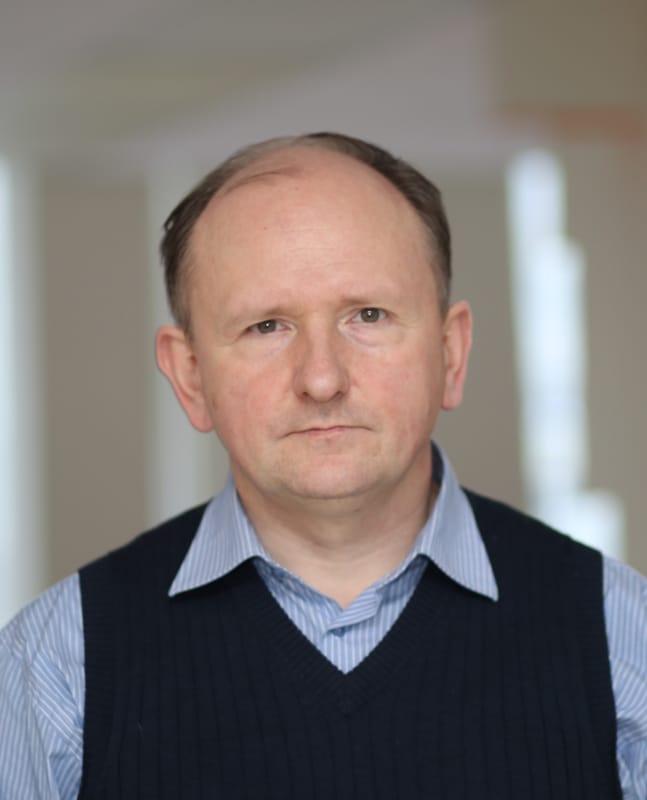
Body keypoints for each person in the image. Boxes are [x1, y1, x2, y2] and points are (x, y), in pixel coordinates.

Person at [1, 132, 645, 799]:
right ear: (190, 377)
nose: (320, 378)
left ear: (451, 353)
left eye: (368, 315)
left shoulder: (623, 638)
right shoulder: (53, 666)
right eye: (266, 326)